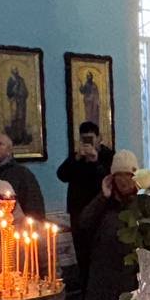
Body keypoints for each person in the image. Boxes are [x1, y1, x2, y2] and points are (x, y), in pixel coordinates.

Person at [78, 149, 140, 300]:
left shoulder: (143, 202)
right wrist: (103, 197)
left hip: (131, 277)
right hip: (103, 277)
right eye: (119, 175)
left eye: (128, 175)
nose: (124, 180)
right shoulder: (104, 202)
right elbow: (84, 223)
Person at [56, 121, 114, 288]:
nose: (87, 142)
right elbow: (61, 175)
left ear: (99, 138)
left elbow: (108, 181)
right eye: (83, 139)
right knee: (81, 254)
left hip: (101, 213)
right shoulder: (76, 157)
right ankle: (84, 290)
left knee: (100, 253)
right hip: (78, 213)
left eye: (90, 138)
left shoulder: (108, 156)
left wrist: (95, 161)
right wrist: (76, 159)